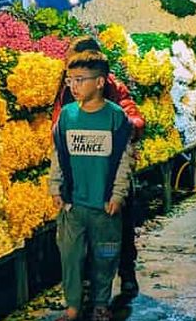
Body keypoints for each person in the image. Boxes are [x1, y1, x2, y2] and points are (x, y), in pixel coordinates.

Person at [52, 36, 145, 297]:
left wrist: (124, 128)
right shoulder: (67, 87)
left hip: (110, 172)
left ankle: (126, 273)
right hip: (81, 174)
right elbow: (60, 121)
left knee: (119, 229)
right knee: (83, 237)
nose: (74, 81)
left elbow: (132, 115)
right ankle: (90, 287)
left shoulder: (112, 87)